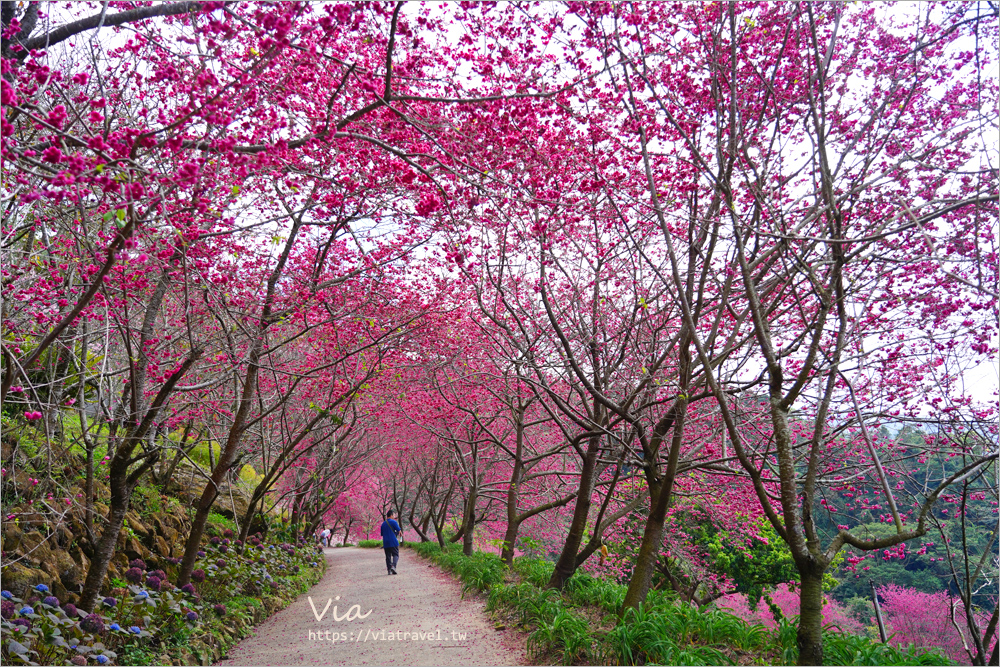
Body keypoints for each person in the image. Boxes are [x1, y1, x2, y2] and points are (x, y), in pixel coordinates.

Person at [380, 510, 402, 575]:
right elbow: (399, 530)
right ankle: (393, 566)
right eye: (394, 515)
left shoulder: (383, 524)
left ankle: (389, 570)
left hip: (385, 542)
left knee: (388, 556)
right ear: (391, 515)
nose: (394, 516)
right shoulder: (394, 522)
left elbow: (382, 534)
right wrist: (399, 533)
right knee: (396, 554)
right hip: (393, 541)